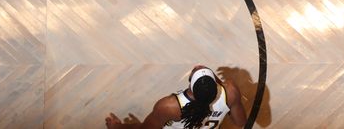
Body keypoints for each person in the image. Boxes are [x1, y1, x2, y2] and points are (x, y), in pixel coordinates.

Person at [105, 65, 246, 129]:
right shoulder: (231, 92)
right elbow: (240, 122)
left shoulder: (169, 107)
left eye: (195, 72)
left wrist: (117, 127)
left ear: (191, 86)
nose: (198, 66)